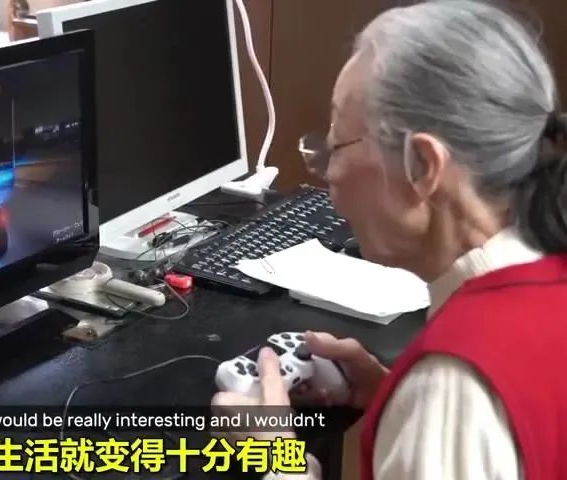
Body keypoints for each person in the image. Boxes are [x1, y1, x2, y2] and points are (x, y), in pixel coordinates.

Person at [212, 0, 567, 479]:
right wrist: (394, 397)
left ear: (422, 165)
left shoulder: (452, 386)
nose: (330, 176)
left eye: (337, 146)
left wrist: (275, 456)